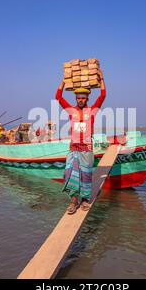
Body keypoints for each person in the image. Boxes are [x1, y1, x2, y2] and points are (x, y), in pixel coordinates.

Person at [55, 69, 106, 214]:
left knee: (86, 175)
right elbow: (58, 96)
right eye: (78, 98)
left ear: (87, 99)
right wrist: (64, 80)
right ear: (76, 99)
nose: (81, 100)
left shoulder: (92, 111)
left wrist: (101, 78)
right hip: (74, 149)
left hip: (87, 149)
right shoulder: (71, 111)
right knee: (70, 174)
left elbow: (103, 95)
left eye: (83, 98)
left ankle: (84, 200)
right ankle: (73, 202)